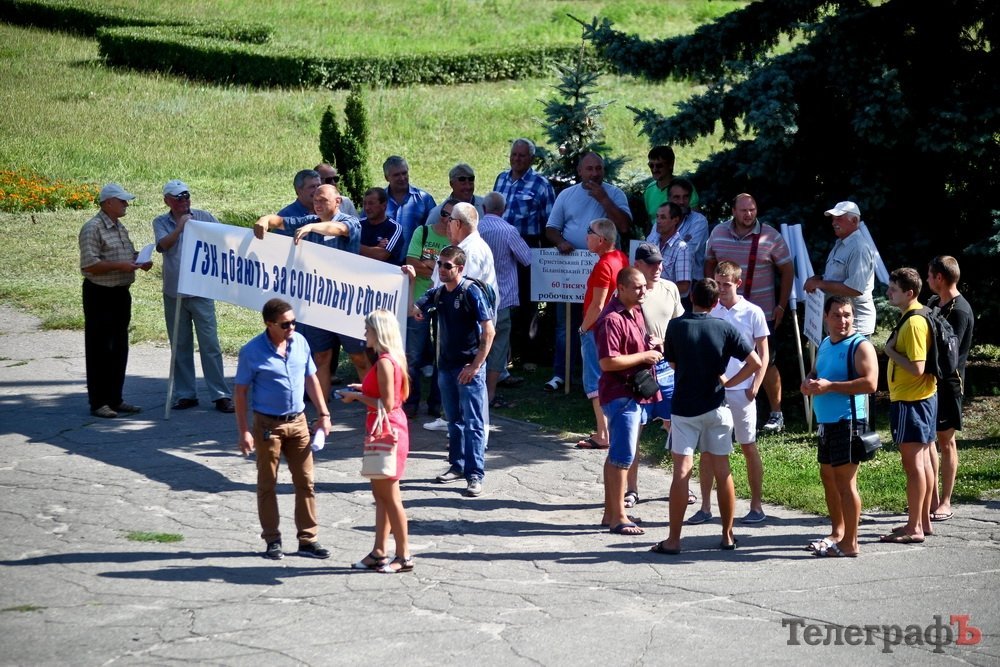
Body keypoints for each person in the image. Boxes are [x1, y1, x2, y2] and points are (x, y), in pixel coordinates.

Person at [651, 279, 762, 555]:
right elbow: (756, 362)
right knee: (723, 471)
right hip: (717, 406)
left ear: (691, 299)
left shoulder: (676, 326)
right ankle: (727, 535)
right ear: (715, 303)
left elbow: (673, 363)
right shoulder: (724, 327)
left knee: (682, 471)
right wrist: (729, 381)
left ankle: (674, 540)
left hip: (685, 408)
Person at [234, 298, 332, 561]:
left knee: (306, 482)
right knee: (267, 483)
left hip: (298, 422)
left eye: (294, 322)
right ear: (269, 324)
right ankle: (272, 540)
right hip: (268, 426)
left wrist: (323, 414)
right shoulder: (251, 351)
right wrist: (244, 430)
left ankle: (308, 540)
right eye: (285, 324)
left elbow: (310, 377)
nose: (292, 328)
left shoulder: (300, 342)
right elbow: (240, 392)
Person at [254, 184, 367, 394]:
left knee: (359, 358)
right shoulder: (309, 220)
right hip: (319, 303)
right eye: (315, 200)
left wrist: (312, 228)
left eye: (323, 200)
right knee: (321, 357)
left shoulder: (350, 221)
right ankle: (323, 414)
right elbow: (280, 222)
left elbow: (338, 230)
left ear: (338, 201)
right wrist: (265, 220)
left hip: (347, 304)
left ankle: (374, 409)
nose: (318, 204)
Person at [704, 193, 793, 434]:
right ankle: (722, 401)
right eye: (743, 210)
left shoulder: (770, 236)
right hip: (725, 310)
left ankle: (776, 413)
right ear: (733, 210)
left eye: (752, 209)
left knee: (768, 360)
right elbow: (709, 263)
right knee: (723, 356)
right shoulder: (718, 233)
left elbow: (787, 270)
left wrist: (781, 305)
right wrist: (711, 296)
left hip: (762, 311)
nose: (748, 214)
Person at [410, 246, 495, 497]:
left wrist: (476, 365)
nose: (442, 269)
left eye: (447, 265)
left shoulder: (471, 292)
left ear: (460, 268)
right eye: (440, 264)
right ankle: (457, 466)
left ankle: (475, 474)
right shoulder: (438, 293)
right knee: (454, 422)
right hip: (446, 367)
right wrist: (411, 279)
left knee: (474, 423)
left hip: (469, 368)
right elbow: (415, 309)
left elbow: (489, 331)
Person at [544, 152, 632, 391]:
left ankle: (601, 377)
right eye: (590, 169)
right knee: (566, 324)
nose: (595, 173)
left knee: (603, 322)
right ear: (580, 171)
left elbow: (624, 225)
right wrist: (561, 242)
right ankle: (562, 374)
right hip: (571, 269)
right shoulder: (567, 195)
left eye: (599, 169)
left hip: (605, 269)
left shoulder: (614, 194)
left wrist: (604, 200)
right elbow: (551, 228)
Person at [800, 295, 878, 558]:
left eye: (847, 314)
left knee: (846, 483)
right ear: (826, 317)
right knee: (829, 479)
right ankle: (838, 532)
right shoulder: (824, 343)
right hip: (826, 423)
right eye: (836, 315)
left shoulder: (860, 345)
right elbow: (816, 371)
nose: (842, 320)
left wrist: (830, 386)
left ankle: (851, 543)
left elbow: (870, 384)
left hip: (849, 422)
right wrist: (808, 381)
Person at [693, 261, 769, 525]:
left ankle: (757, 506)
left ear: (738, 283)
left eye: (726, 284)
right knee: (708, 449)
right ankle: (705, 507)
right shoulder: (711, 311)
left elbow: (763, 352)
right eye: (718, 283)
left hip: (743, 390)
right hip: (715, 392)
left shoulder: (752, 312)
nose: (722, 289)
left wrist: (756, 385)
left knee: (748, 446)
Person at [340, 309, 413, 574]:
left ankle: (403, 555)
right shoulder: (390, 359)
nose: (365, 333)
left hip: (388, 430)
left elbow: (388, 402)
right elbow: (384, 393)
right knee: (380, 495)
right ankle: (379, 551)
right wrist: (362, 390)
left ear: (378, 332)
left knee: (391, 497)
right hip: (385, 427)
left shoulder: (384, 361)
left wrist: (356, 398)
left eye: (368, 328)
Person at [152, 179, 234, 413]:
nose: (184, 202)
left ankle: (220, 394)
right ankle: (185, 393)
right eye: (178, 198)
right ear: (167, 200)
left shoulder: (203, 216)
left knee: (210, 344)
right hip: (174, 291)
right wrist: (180, 228)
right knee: (180, 344)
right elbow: (162, 246)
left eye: (186, 197)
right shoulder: (161, 221)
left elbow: (225, 239)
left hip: (201, 290)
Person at [595, 267, 662, 535]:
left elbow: (633, 346)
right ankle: (619, 517)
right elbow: (608, 361)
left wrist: (651, 344)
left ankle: (609, 512)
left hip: (634, 394)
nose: (643, 291)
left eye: (644, 286)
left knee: (619, 455)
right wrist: (645, 356)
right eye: (636, 287)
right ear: (620, 288)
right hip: (620, 394)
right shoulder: (611, 318)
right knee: (622, 456)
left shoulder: (635, 312)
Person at [78, 183, 152, 418]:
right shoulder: (93, 228)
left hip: (121, 293)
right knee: (100, 347)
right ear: (108, 202)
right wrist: (121, 265)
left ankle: (115, 399)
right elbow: (89, 265)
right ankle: (98, 402)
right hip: (100, 294)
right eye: (122, 201)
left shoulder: (119, 227)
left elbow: (124, 255)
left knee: (119, 346)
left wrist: (139, 260)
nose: (126, 204)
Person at [881, 267, 937, 544]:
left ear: (909, 293)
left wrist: (889, 351)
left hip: (912, 402)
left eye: (893, 289)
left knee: (914, 466)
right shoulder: (916, 314)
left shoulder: (914, 322)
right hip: (921, 400)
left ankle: (914, 527)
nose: (888, 293)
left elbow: (917, 368)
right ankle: (922, 522)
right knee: (923, 463)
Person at [492, 138, 556, 372]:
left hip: (527, 246)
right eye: (514, 155)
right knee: (503, 299)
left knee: (527, 301)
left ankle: (528, 354)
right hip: (500, 246)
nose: (517, 159)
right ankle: (505, 353)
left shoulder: (541, 185)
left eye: (522, 155)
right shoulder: (501, 179)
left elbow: (550, 222)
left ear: (531, 159)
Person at [629, 242, 684, 508]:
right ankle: (631, 489)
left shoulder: (670, 288)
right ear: (637, 265)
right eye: (651, 263)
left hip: (667, 368)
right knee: (633, 430)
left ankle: (682, 485)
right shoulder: (631, 293)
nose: (658, 268)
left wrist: (669, 345)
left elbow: (679, 325)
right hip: (639, 370)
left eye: (660, 262)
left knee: (676, 426)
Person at [926, 256, 975, 521]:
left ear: (940, 278)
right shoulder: (935, 303)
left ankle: (945, 501)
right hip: (931, 383)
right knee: (928, 441)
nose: (926, 280)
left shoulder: (960, 311)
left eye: (929, 275)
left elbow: (950, 354)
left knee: (946, 442)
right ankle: (930, 498)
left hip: (950, 383)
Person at [577, 218, 628, 450]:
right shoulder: (621, 258)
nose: (586, 236)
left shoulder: (603, 265)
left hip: (597, 330)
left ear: (601, 240)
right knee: (608, 379)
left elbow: (597, 305)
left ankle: (602, 434)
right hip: (614, 328)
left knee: (595, 381)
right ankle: (608, 430)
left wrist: (583, 328)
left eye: (589, 232)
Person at [477, 192, 531, 406]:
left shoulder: (476, 230)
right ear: (504, 210)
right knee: (498, 345)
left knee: (478, 342)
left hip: (478, 295)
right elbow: (527, 258)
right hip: (502, 297)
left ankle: (475, 388)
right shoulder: (509, 230)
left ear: (483, 209)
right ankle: (490, 393)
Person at [402, 199, 454, 420]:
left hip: (447, 302)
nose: (446, 219)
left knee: (442, 354)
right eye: (444, 214)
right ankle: (410, 401)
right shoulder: (422, 232)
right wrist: (439, 268)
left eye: (452, 217)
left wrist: (428, 265)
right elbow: (411, 262)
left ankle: (436, 402)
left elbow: (454, 273)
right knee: (412, 355)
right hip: (419, 301)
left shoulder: (458, 241)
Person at [804, 201, 877, 337]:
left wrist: (819, 284)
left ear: (854, 220)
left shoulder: (859, 248)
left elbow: (855, 288)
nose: (833, 223)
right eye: (833, 219)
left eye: (839, 218)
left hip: (854, 328)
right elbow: (837, 277)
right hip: (840, 325)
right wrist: (819, 278)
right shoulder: (842, 243)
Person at [383, 155, 436, 252]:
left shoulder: (424, 199)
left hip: (414, 261)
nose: (402, 178)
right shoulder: (378, 199)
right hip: (382, 260)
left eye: (404, 173)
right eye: (396, 175)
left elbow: (434, 232)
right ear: (386, 177)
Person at [642, 145, 699, 231]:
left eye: (659, 165)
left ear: (670, 165)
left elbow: (696, 221)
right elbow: (650, 221)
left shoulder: (684, 187)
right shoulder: (649, 190)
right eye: (651, 165)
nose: (654, 169)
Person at [646, 201, 692, 299]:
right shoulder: (652, 243)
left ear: (675, 220)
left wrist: (656, 291)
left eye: (663, 217)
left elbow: (684, 287)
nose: (658, 221)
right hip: (649, 300)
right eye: (657, 216)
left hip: (671, 305)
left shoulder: (681, 248)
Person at [666, 178, 709, 279]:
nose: (681, 202)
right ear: (669, 199)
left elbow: (686, 253)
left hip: (691, 283)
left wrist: (664, 246)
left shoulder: (699, 221)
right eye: (676, 197)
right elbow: (651, 247)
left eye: (685, 197)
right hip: (666, 281)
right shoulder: (662, 219)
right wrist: (680, 243)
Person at [359, 187, 404, 265]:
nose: (366, 208)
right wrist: (375, 249)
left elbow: (381, 255)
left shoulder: (394, 228)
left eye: (371, 203)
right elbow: (344, 249)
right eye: (364, 203)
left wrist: (353, 246)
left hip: (385, 275)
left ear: (384, 206)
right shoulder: (358, 224)